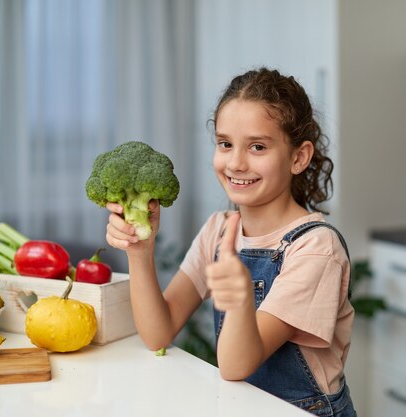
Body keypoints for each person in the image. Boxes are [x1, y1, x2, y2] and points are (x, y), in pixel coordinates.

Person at [105, 67, 356, 417]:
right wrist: (139, 252)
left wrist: (240, 302)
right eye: (225, 144)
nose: (236, 163)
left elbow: (237, 365)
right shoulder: (219, 230)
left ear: (298, 157)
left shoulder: (315, 249)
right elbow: (158, 333)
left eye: (257, 146)